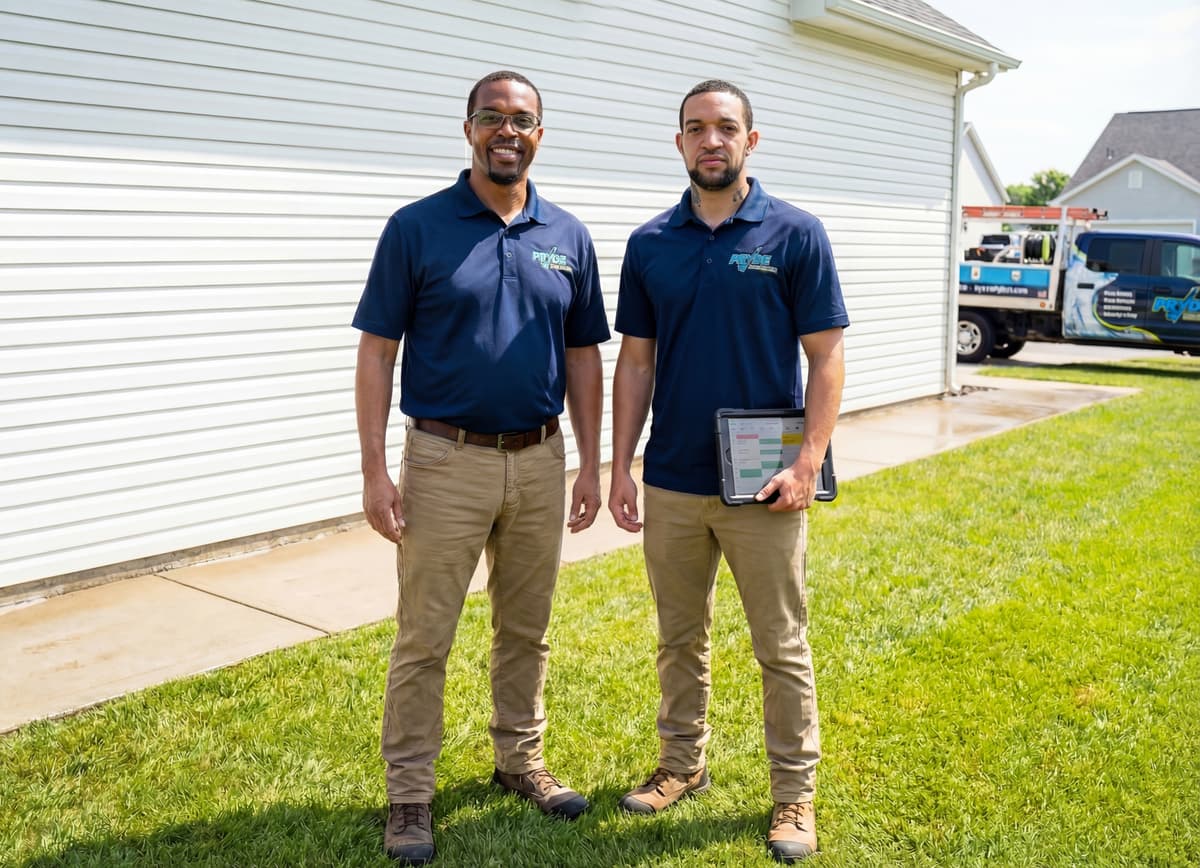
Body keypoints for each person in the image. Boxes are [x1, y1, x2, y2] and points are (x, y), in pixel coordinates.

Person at [353, 70, 611, 865]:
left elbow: (584, 355)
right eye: (493, 117)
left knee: (526, 629)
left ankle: (520, 762)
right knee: (425, 635)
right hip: (443, 459)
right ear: (468, 128)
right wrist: (374, 469)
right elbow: (376, 351)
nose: (508, 130)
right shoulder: (417, 228)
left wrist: (591, 464)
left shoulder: (568, 237)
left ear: (541, 132)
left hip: (538, 458)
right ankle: (409, 795)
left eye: (523, 119)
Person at [607, 79, 849, 863]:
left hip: (766, 483)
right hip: (674, 478)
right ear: (679, 143)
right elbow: (635, 364)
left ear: (752, 140)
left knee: (780, 645)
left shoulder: (795, 234)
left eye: (726, 128)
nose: (711, 140)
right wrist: (620, 466)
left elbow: (826, 356)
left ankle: (794, 795)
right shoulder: (650, 244)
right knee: (679, 638)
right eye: (696, 129)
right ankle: (682, 765)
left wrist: (808, 459)